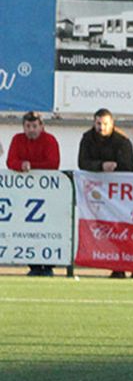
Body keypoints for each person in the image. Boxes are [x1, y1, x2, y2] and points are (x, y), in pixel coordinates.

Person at [78, 109, 133, 278]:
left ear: (112, 124)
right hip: (102, 195)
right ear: (93, 123)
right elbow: (82, 163)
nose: (101, 127)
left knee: (126, 231)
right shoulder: (87, 138)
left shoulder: (123, 141)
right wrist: (101, 165)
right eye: (98, 123)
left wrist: (114, 167)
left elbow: (127, 166)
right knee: (110, 231)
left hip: (125, 193)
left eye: (105, 124)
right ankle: (120, 266)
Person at [9, 112, 62, 277]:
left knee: (47, 227)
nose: (31, 130)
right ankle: (33, 264)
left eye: (34, 126)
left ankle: (48, 265)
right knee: (27, 228)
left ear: (41, 126)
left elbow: (53, 163)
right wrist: (21, 165)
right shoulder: (17, 139)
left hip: (48, 194)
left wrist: (31, 166)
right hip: (24, 195)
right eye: (28, 126)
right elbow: (11, 161)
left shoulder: (49, 140)